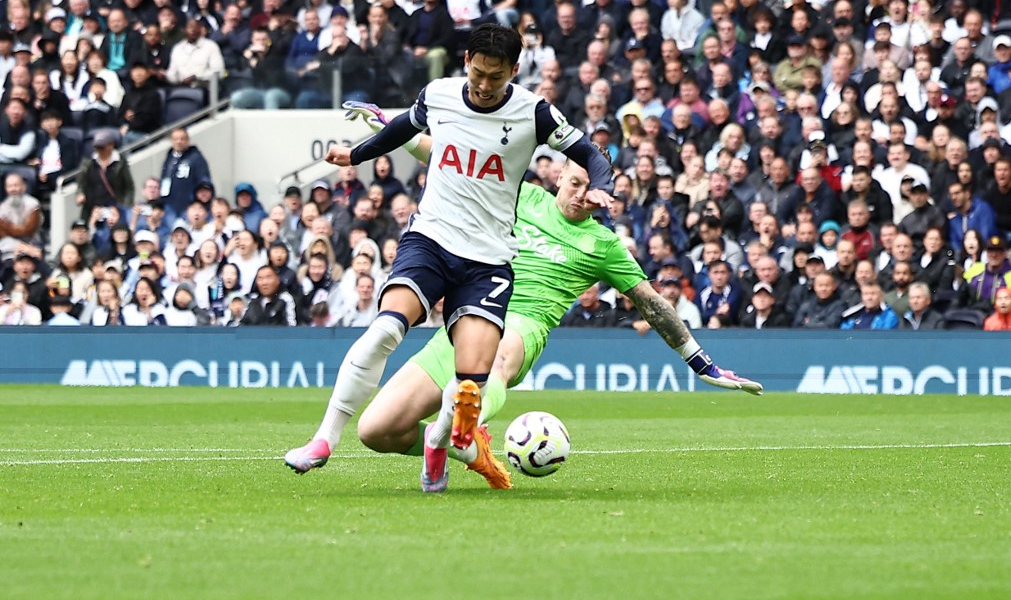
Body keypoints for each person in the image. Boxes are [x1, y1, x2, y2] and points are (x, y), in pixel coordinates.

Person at [284, 27, 617, 495]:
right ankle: (323, 439)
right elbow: (405, 126)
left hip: (488, 262)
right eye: (478, 73)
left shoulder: (533, 112)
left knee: (467, 387)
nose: (484, 85)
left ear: (514, 72)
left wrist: (606, 184)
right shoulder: (438, 94)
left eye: (495, 78)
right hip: (431, 240)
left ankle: (439, 442)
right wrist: (356, 155)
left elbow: (585, 151)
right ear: (465, 60)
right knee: (384, 330)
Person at [346, 114, 758, 490]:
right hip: (467, 317)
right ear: (560, 175)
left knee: (498, 357)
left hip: (522, 327)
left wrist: (701, 363)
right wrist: (392, 129)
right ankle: (469, 449)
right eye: (574, 183)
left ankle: (451, 429)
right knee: (376, 430)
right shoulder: (522, 197)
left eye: (589, 188)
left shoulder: (603, 244)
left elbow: (653, 305)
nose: (580, 194)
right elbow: (450, 158)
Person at [158, 127, 211, 223]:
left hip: (187, 207)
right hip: (168, 205)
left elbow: (204, 182)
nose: (179, 142)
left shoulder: (196, 158)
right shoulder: (169, 158)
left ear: (188, 141)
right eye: (175, 139)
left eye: (182, 139)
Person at [0, 172, 42, 263]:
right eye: (9, 186)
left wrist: (8, 227)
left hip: (31, 242)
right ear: (6, 188)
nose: (13, 189)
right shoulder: (2, 207)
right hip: (10, 245)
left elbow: (28, 231)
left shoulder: (33, 204)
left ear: (24, 186)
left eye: (16, 185)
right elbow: (2, 234)